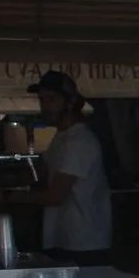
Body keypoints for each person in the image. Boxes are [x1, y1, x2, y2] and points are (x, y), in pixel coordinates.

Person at [16, 71, 113, 265]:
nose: (45, 106)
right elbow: (41, 176)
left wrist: (8, 197)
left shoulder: (80, 141)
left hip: (84, 243)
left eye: (51, 99)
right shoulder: (62, 138)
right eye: (42, 100)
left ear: (70, 102)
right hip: (65, 238)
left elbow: (55, 196)